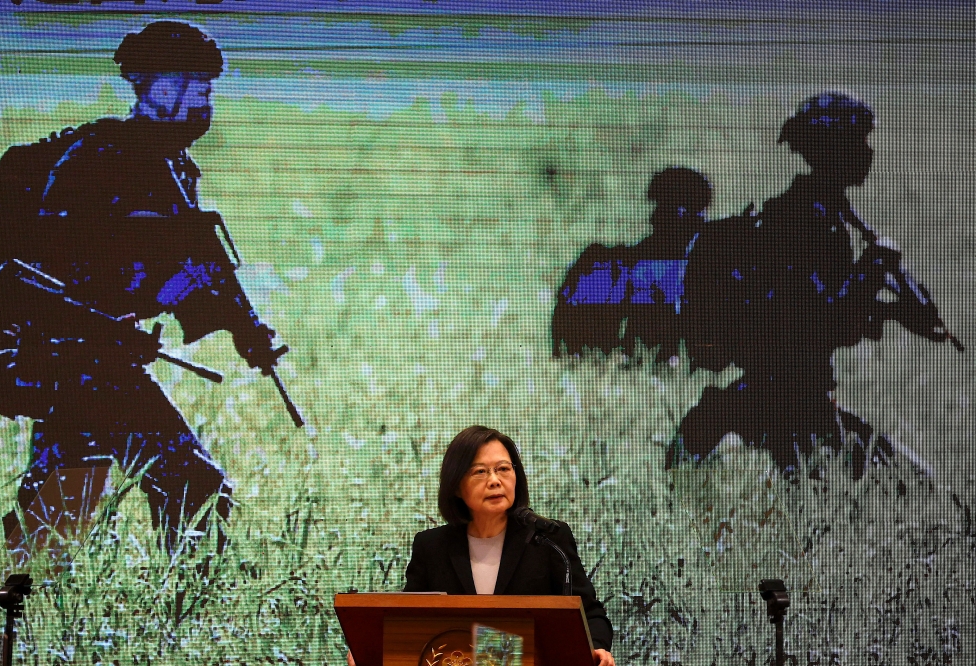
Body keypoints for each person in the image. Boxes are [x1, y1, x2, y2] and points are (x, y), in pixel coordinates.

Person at [0, 21, 282, 553]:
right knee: (192, 486)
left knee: (62, 510)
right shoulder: (98, 159)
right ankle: (187, 613)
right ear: (162, 88)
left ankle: (3, 584)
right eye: (199, 89)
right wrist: (99, 325)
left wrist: (244, 329)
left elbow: (194, 266)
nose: (206, 104)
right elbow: (47, 267)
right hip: (80, 361)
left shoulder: (172, 167)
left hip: (102, 359)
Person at [672, 93, 961, 477]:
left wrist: (893, 309)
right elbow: (822, 319)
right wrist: (873, 270)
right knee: (912, 489)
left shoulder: (825, 214)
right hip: (782, 402)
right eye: (858, 141)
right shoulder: (803, 219)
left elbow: (815, 305)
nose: (867, 153)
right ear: (833, 148)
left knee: (919, 485)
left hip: (798, 398)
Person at [347, 425, 615, 666]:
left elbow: (590, 614)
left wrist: (597, 648)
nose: (495, 480)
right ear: (456, 486)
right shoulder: (432, 547)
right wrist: (370, 650)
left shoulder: (547, 539)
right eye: (480, 471)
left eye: (503, 469)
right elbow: (406, 621)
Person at [551, 167, 710, 361]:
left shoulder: (705, 261)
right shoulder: (630, 261)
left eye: (663, 209)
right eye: (659, 209)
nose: (653, 218)